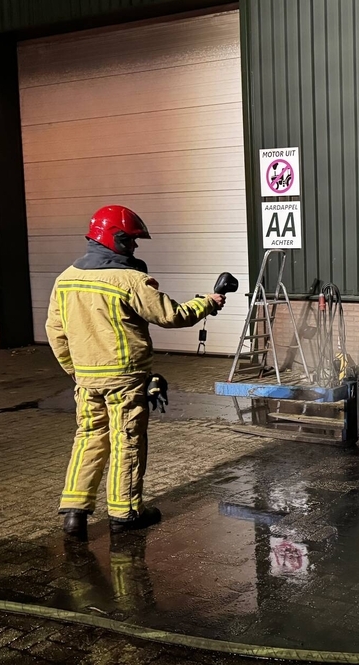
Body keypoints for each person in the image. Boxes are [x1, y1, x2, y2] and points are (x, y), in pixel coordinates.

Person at [45, 205, 224, 539]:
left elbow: (55, 332)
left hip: (86, 379)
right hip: (125, 379)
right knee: (126, 440)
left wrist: (75, 370)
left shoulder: (65, 279)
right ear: (117, 239)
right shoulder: (130, 280)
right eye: (132, 241)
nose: (135, 248)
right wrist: (208, 302)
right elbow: (173, 315)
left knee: (88, 439)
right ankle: (125, 512)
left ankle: (74, 513)